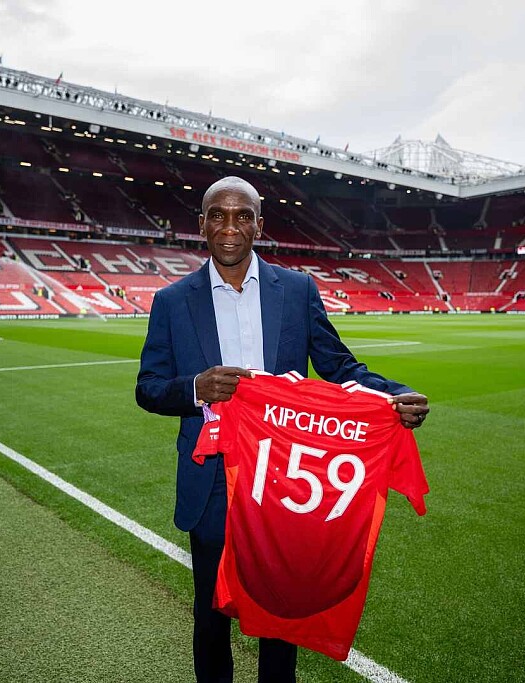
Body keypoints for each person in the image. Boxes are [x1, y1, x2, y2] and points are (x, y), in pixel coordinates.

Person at [135, 176, 429, 683]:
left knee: (281, 608)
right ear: (201, 224)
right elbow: (149, 388)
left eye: (242, 216)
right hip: (212, 480)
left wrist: (392, 396)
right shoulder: (172, 301)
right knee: (210, 616)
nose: (230, 227)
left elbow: (340, 366)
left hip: (284, 480)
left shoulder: (296, 291)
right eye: (218, 215)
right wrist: (196, 388)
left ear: (259, 225)